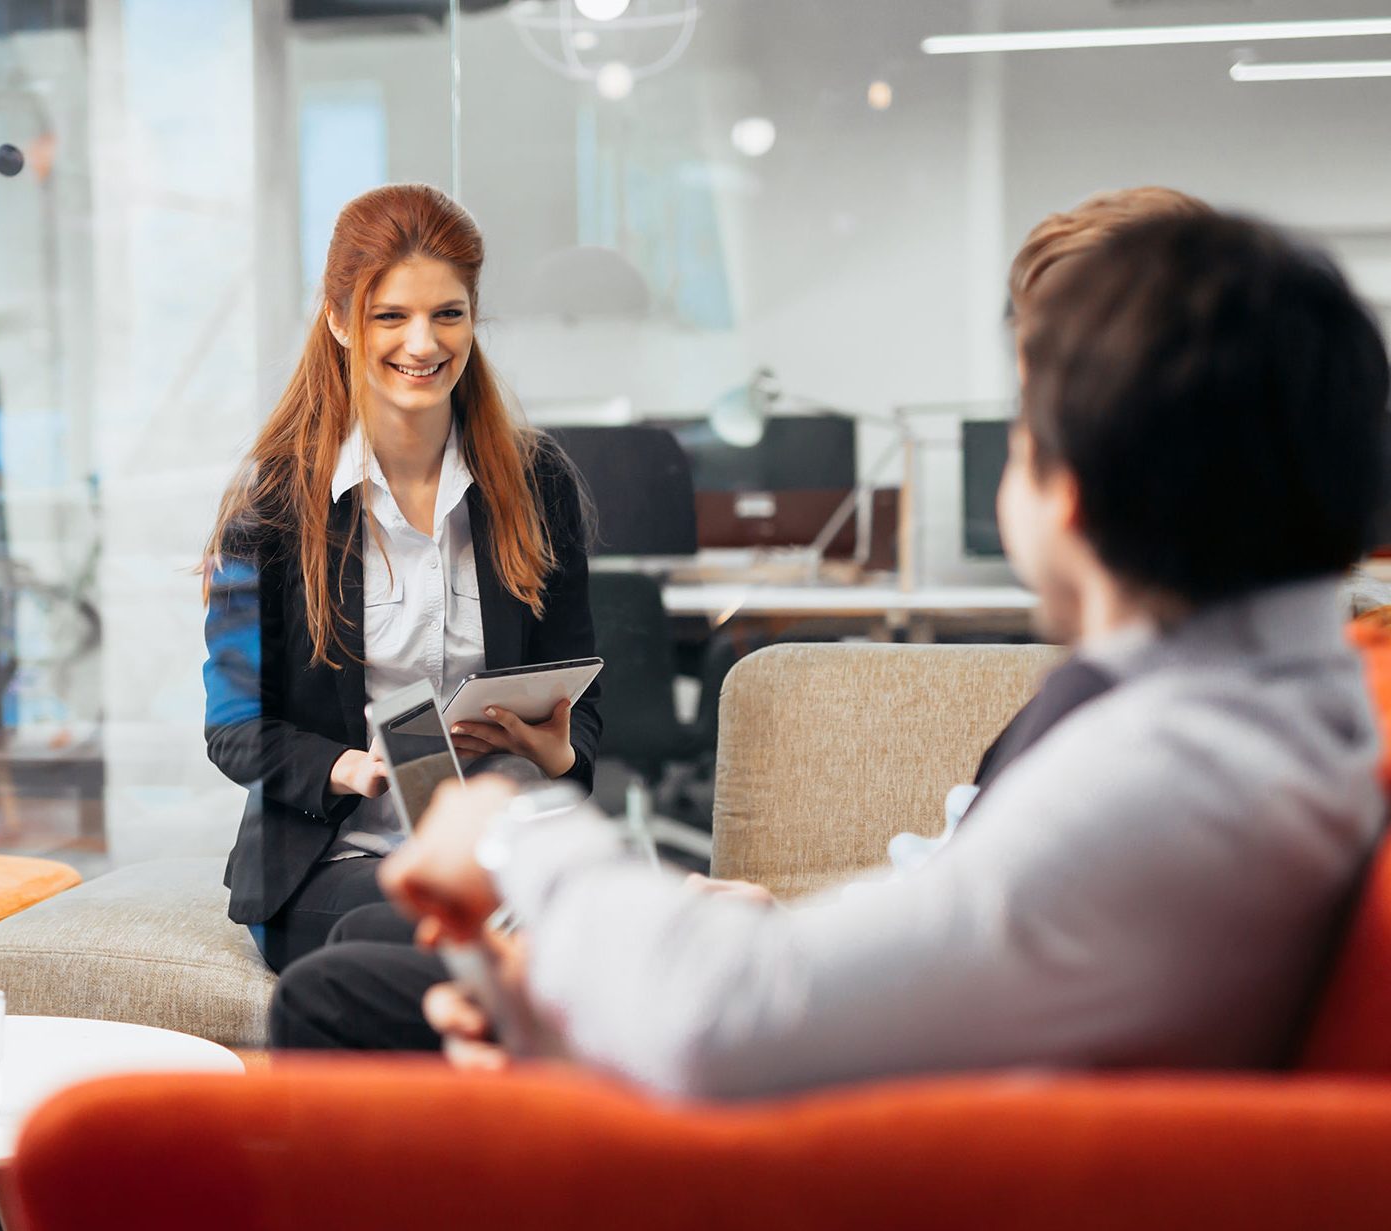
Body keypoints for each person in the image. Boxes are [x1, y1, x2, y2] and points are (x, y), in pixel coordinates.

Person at [382, 211, 1390, 1098]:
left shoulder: (1174, 775)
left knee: (353, 1001)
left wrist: (516, 834)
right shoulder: (1283, 716)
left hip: (870, 1169)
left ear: (1065, 490)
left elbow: (721, 1020)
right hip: (900, 1104)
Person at [266, 185, 1217, 1050]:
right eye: (389, 315)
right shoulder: (1154, 703)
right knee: (359, 966)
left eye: (1029, 419)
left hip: (829, 1049)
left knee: (340, 992)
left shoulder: (1146, 743)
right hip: (357, 842)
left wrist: (518, 835)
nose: (421, 342)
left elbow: (826, 995)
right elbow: (955, 911)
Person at [202, 183, 600, 974]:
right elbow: (235, 726)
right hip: (334, 861)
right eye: (392, 316)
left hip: (499, 847)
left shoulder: (536, 482)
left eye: (447, 314)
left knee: (558, 921)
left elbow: (585, 713)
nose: (423, 344)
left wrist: (552, 750)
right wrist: (352, 766)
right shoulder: (278, 505)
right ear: (341, 319)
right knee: (442, 936)